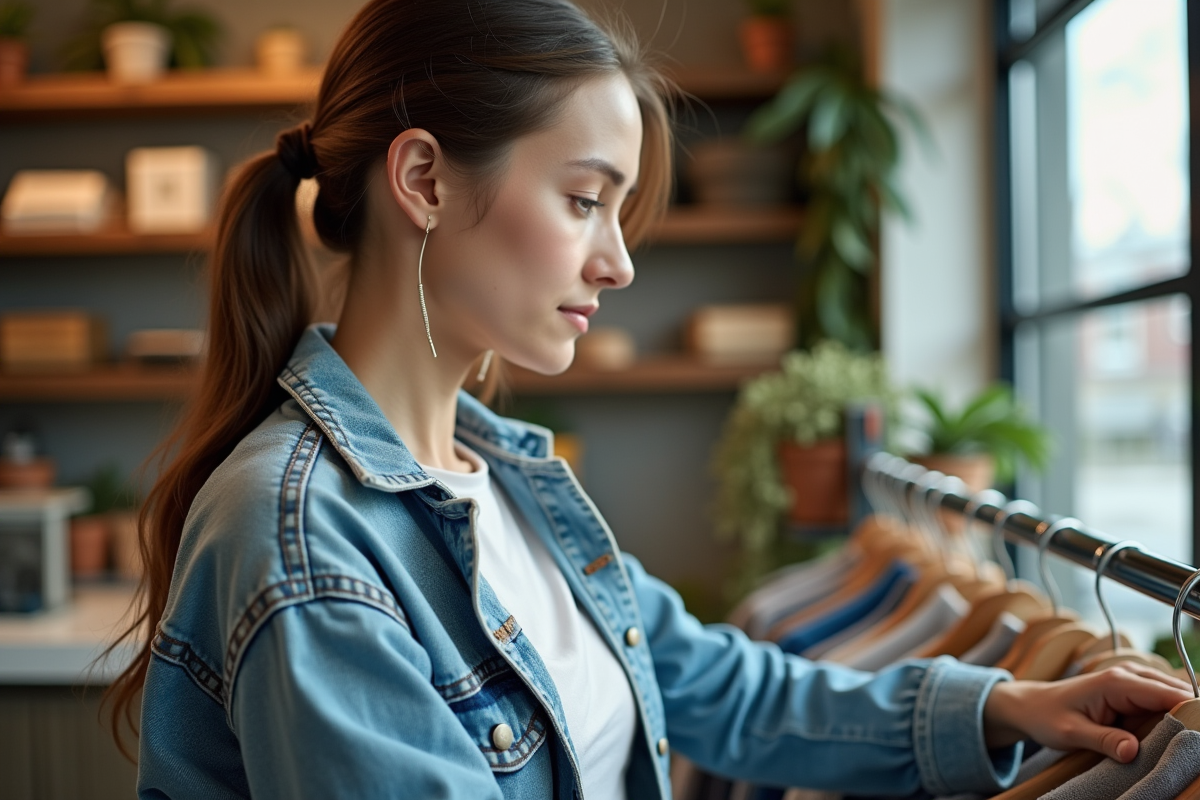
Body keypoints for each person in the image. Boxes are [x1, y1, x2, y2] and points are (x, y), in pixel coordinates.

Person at [104, 1, 1192, 798]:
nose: (619, 262)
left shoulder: (506, 479)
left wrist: (1002, 702)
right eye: (585, 199)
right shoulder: (300, 535)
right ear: (425, 181)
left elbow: (716, 683)